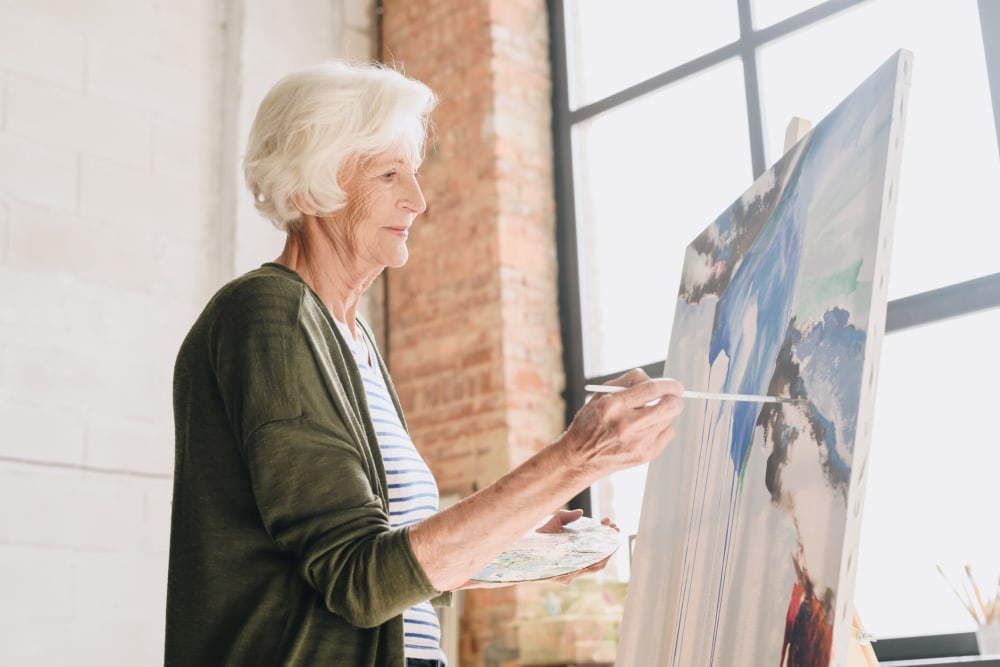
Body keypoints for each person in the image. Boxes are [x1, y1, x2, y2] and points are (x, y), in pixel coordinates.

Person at [164, 59, 684, 667]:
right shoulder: (270, 315)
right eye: (389, 175)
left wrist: (513, 546)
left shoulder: (349, 337)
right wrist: (576, 459)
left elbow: (385, 570)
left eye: (412, 173)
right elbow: (360, 582)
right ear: (310, 189)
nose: (418, 200)